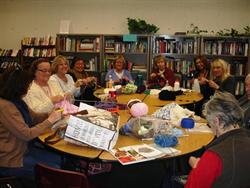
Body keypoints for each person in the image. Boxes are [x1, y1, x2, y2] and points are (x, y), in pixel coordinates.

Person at [0, 67, 62, 184]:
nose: (28, 88)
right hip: (11, 158)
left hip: (24, 149)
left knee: (60, 159)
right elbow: (26, 134)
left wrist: (50, 114)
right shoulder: (5, 106)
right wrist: (49, 120)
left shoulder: (17, 100)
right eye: (27, 85)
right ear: (18, 86)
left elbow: (34, 117)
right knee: (55, 169)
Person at [185, 92, 250, 187]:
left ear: (217, 121)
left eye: (210, 123)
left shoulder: (214, 156)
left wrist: (196, 167)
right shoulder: (247, 140)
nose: (210, 127)